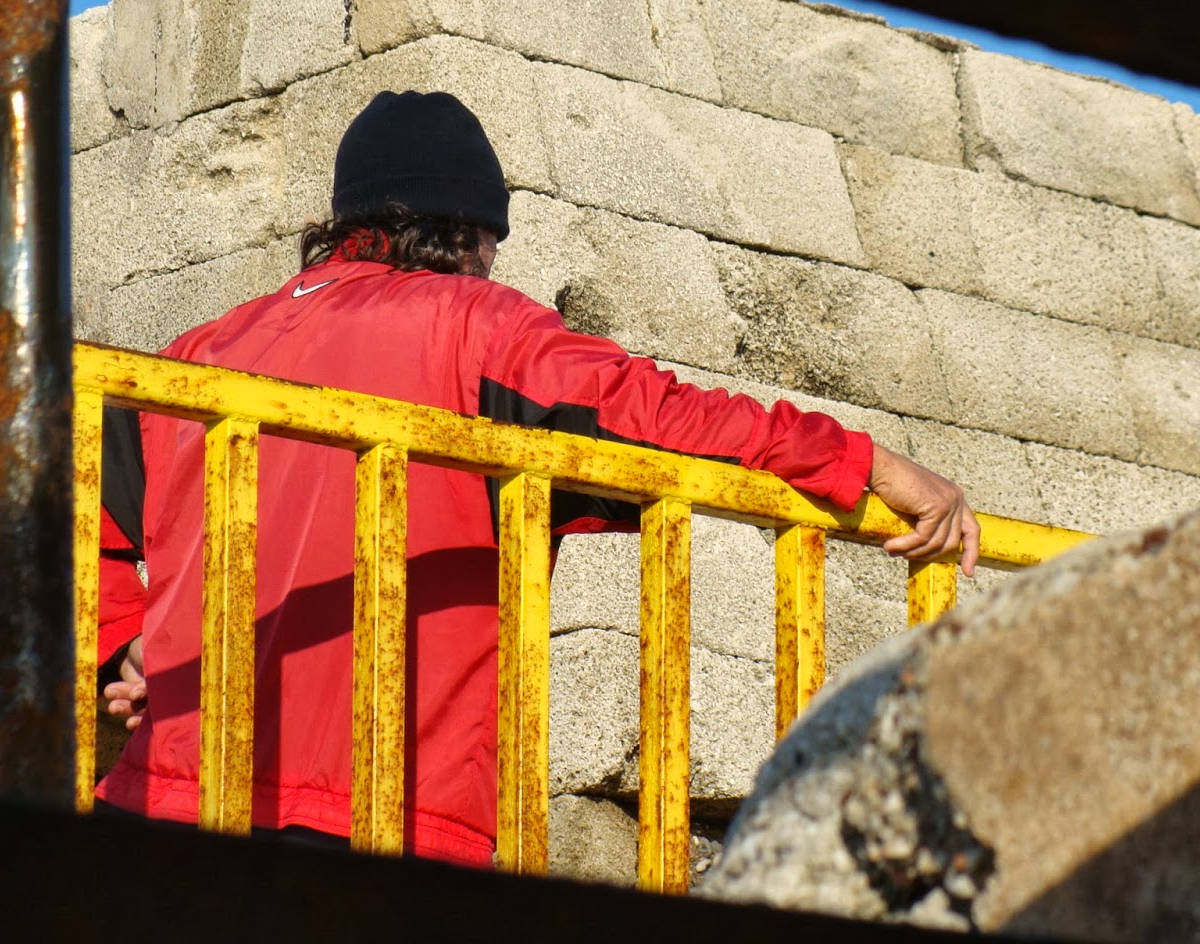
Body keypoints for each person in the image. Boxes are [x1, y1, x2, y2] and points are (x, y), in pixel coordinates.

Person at [95, 89, 979, 863]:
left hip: (159, 806)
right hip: (381, 814)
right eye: (491, 239)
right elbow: (656, 418)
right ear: (465, 231)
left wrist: (119, 646)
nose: (492, 261)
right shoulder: (478, 325)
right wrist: (864, 462)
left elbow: (63, 512)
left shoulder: (196, 354)